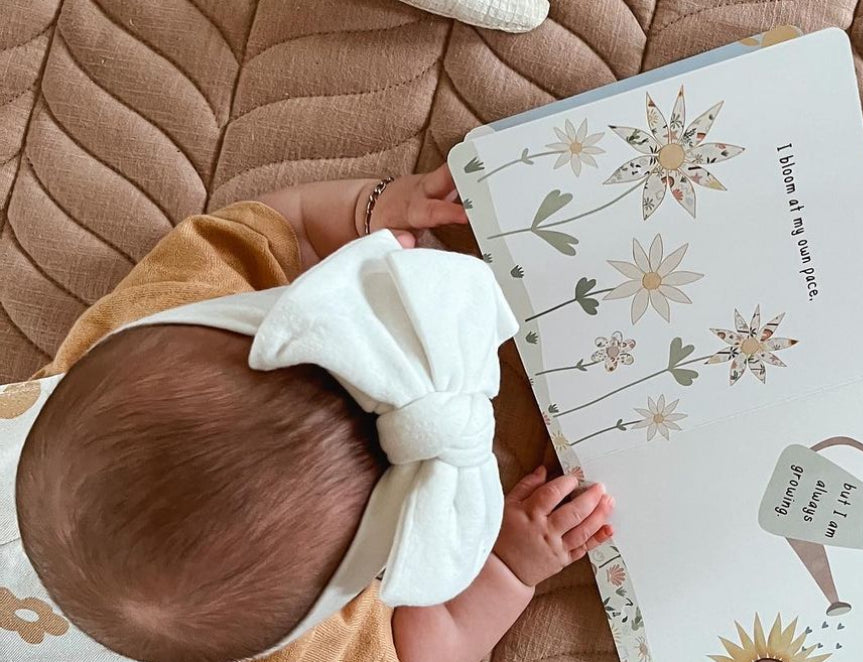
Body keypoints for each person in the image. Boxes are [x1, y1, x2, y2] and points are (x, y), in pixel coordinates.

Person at [10, 166, 613, 662]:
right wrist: (510, 564)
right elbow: (430, 649)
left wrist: (372, 208)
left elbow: (281, 223)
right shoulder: (315, 650)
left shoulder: (170, 306)